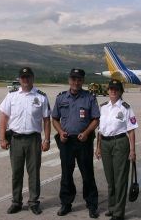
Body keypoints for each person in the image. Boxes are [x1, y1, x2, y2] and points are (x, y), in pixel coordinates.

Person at [0, 67, 51, 215]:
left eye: (28, 77)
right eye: (23, 77)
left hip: (33, 139)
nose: (25, 80)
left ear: (33, 78)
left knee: (34, 173)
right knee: (16, 172)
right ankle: (16, 202)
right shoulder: (12, 96)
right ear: (19, 79)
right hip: (15, 139)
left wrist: (47, 140)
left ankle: (34, 202)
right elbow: (3, 118)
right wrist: (2, 138)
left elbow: (47, 120)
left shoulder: (41, 97)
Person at [52, 68, 100, 218]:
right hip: (66, 141)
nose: (76, 82)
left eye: (79, 79)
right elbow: (54, 119)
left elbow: (96, 119)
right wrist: (60, 132)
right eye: (73, 79)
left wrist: (86, 133)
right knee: (66, 174)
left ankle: (92, 204)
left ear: (82, 81)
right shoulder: (61, 98)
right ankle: (66, 204)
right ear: (69, 80)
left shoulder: (89, 98)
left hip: (83, 140)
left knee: (87, 174)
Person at [95, 79, 138, 220]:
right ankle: (112, 207)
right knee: (110, 179)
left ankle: (119, 213)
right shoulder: (103, 107)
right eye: (111, 88)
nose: (113, 91)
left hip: (120, 143)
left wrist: (132, 150)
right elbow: (100, 130)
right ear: (107, 90)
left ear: (121, 92)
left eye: (116, 89)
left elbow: (131, 131)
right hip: (105, 144)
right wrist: (98, 147)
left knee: (120, 179)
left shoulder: (126, 108)